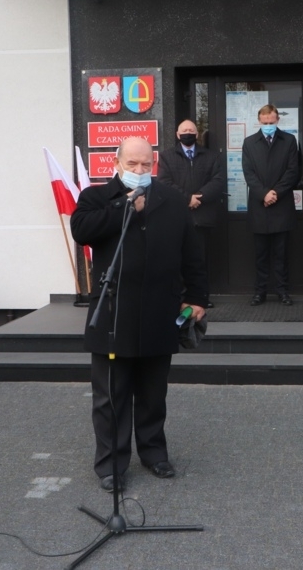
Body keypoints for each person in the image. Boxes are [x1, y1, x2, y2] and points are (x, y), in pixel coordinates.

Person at [71, 137, 208, 492]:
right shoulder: (97, 198)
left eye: (146, 164)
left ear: (154, 164)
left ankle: (154, 453)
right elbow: (81, 231)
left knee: (153, 393)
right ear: (116, 164)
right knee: (111, 397)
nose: (139, 170)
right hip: (114, 313)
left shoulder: (172, 200)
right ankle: (111, 464)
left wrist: (197, 297)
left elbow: (192, 254)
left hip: (161, 310)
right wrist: (125, 206)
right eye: (132, 164)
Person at [158, 119, 226, 308]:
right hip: (177, 217)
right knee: (177, 259)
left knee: (200, 260)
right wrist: (188, 198)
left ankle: (200, 297)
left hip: (202, 217)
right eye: (184, 130)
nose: (187, 133)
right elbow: (164, 182)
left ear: (197, 134)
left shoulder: (211, 156)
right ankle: (180, 297)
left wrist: (199, 197)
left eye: (191, 130)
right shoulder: (166, 156)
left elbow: (218, 181)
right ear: (177, 135)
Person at [241, 104, 300, 306]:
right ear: (259, 121)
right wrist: (264, 194)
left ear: (277, 120)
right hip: (259, 206)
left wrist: (276, 193)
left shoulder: (289, 140)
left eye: (271, 122)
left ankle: (283, 291)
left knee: (281, 254)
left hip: (282, 205)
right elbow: (248, 173)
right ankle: (260, 292)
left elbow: (293, 171)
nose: (268, 125)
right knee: (261, 254)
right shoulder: (249, 143)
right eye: (265, 122)